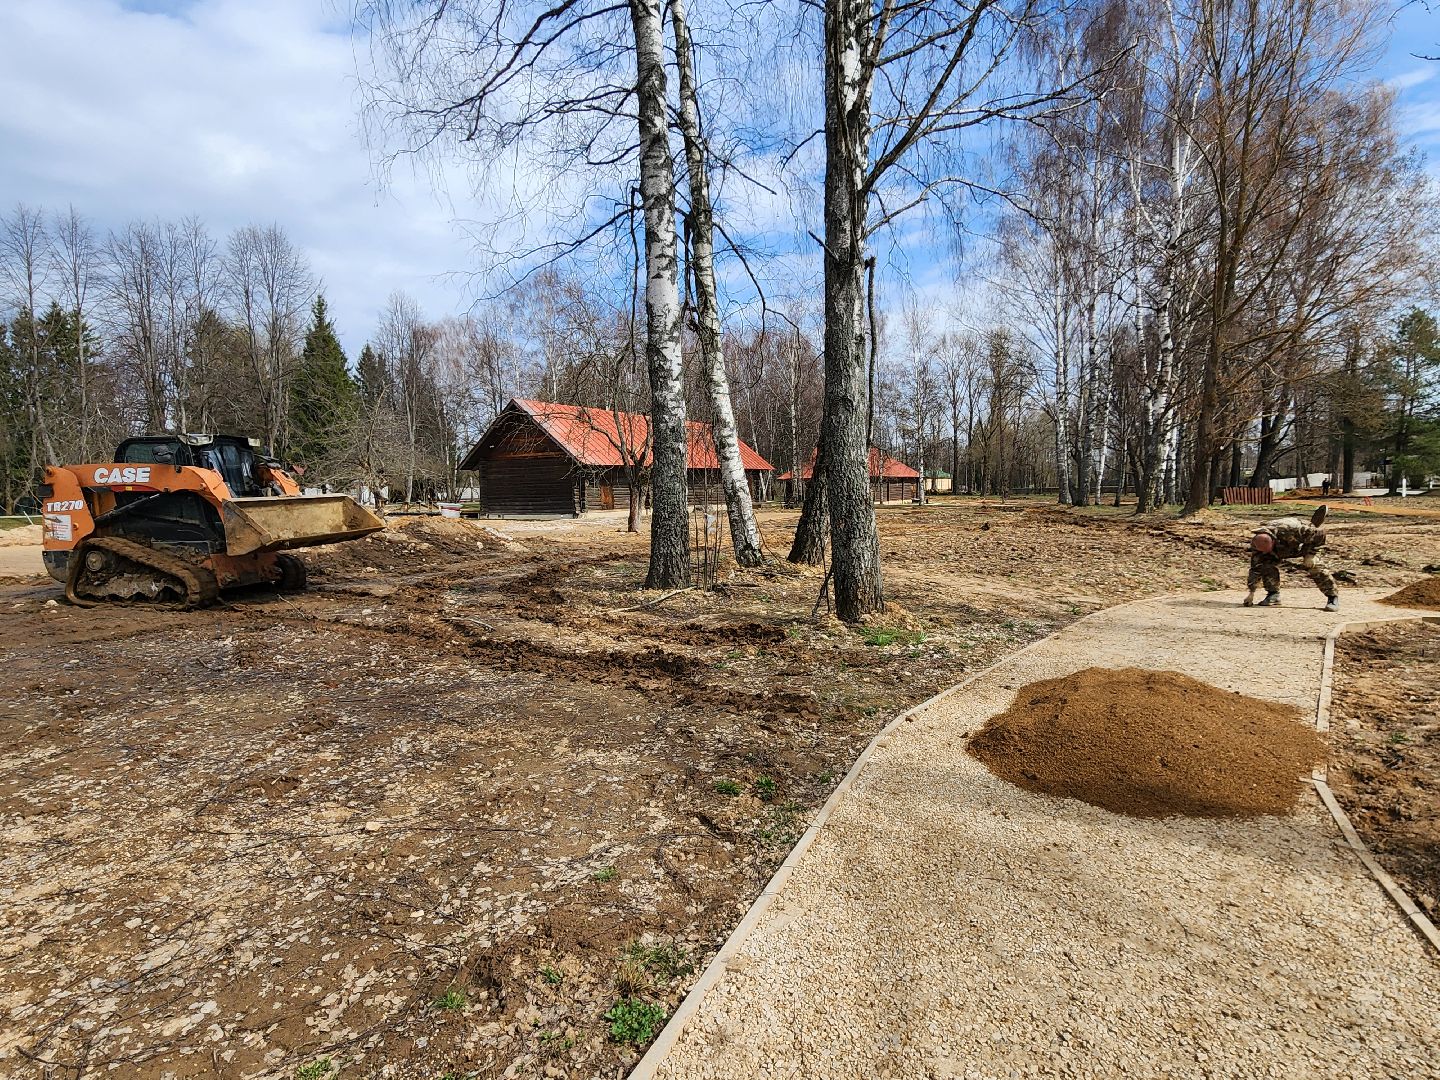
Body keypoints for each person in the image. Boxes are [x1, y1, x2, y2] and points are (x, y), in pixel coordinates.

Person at [1244, 506, 1338, 611]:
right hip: (1281, 548)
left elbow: (1320, 534)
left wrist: (1311, 555)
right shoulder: (1258, 545)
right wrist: (1251, 592)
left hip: (1303, 544)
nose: (1264, 552)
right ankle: (1273, 595)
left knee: (1316, 567)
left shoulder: (1293, 529)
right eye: (1262, 551)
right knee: (1265, 563)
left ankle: (1332, 598)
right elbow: (1255, 567)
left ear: (1273, 541)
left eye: (1266, 550)